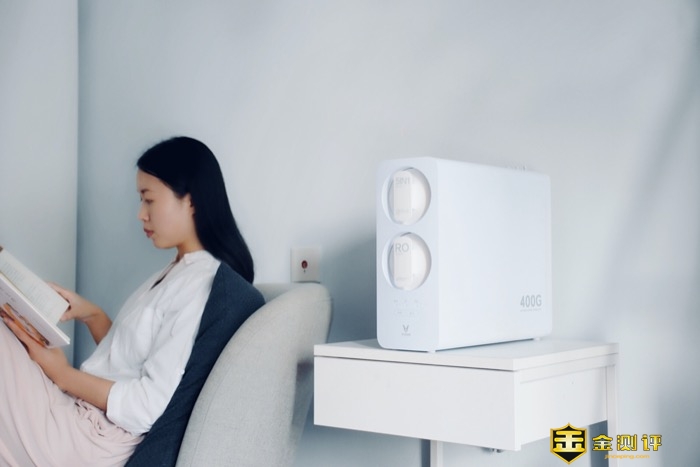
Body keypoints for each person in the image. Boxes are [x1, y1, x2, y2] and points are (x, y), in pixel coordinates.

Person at [0, 136, 262, 466]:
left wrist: (62, 374)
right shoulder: (177, 270)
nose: (140, 214)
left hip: (90, 439)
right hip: (81, 418)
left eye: (148, 200)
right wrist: (92, 314)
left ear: (191, 201)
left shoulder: (201, 284)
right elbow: (129, 361)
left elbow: (147, 406)